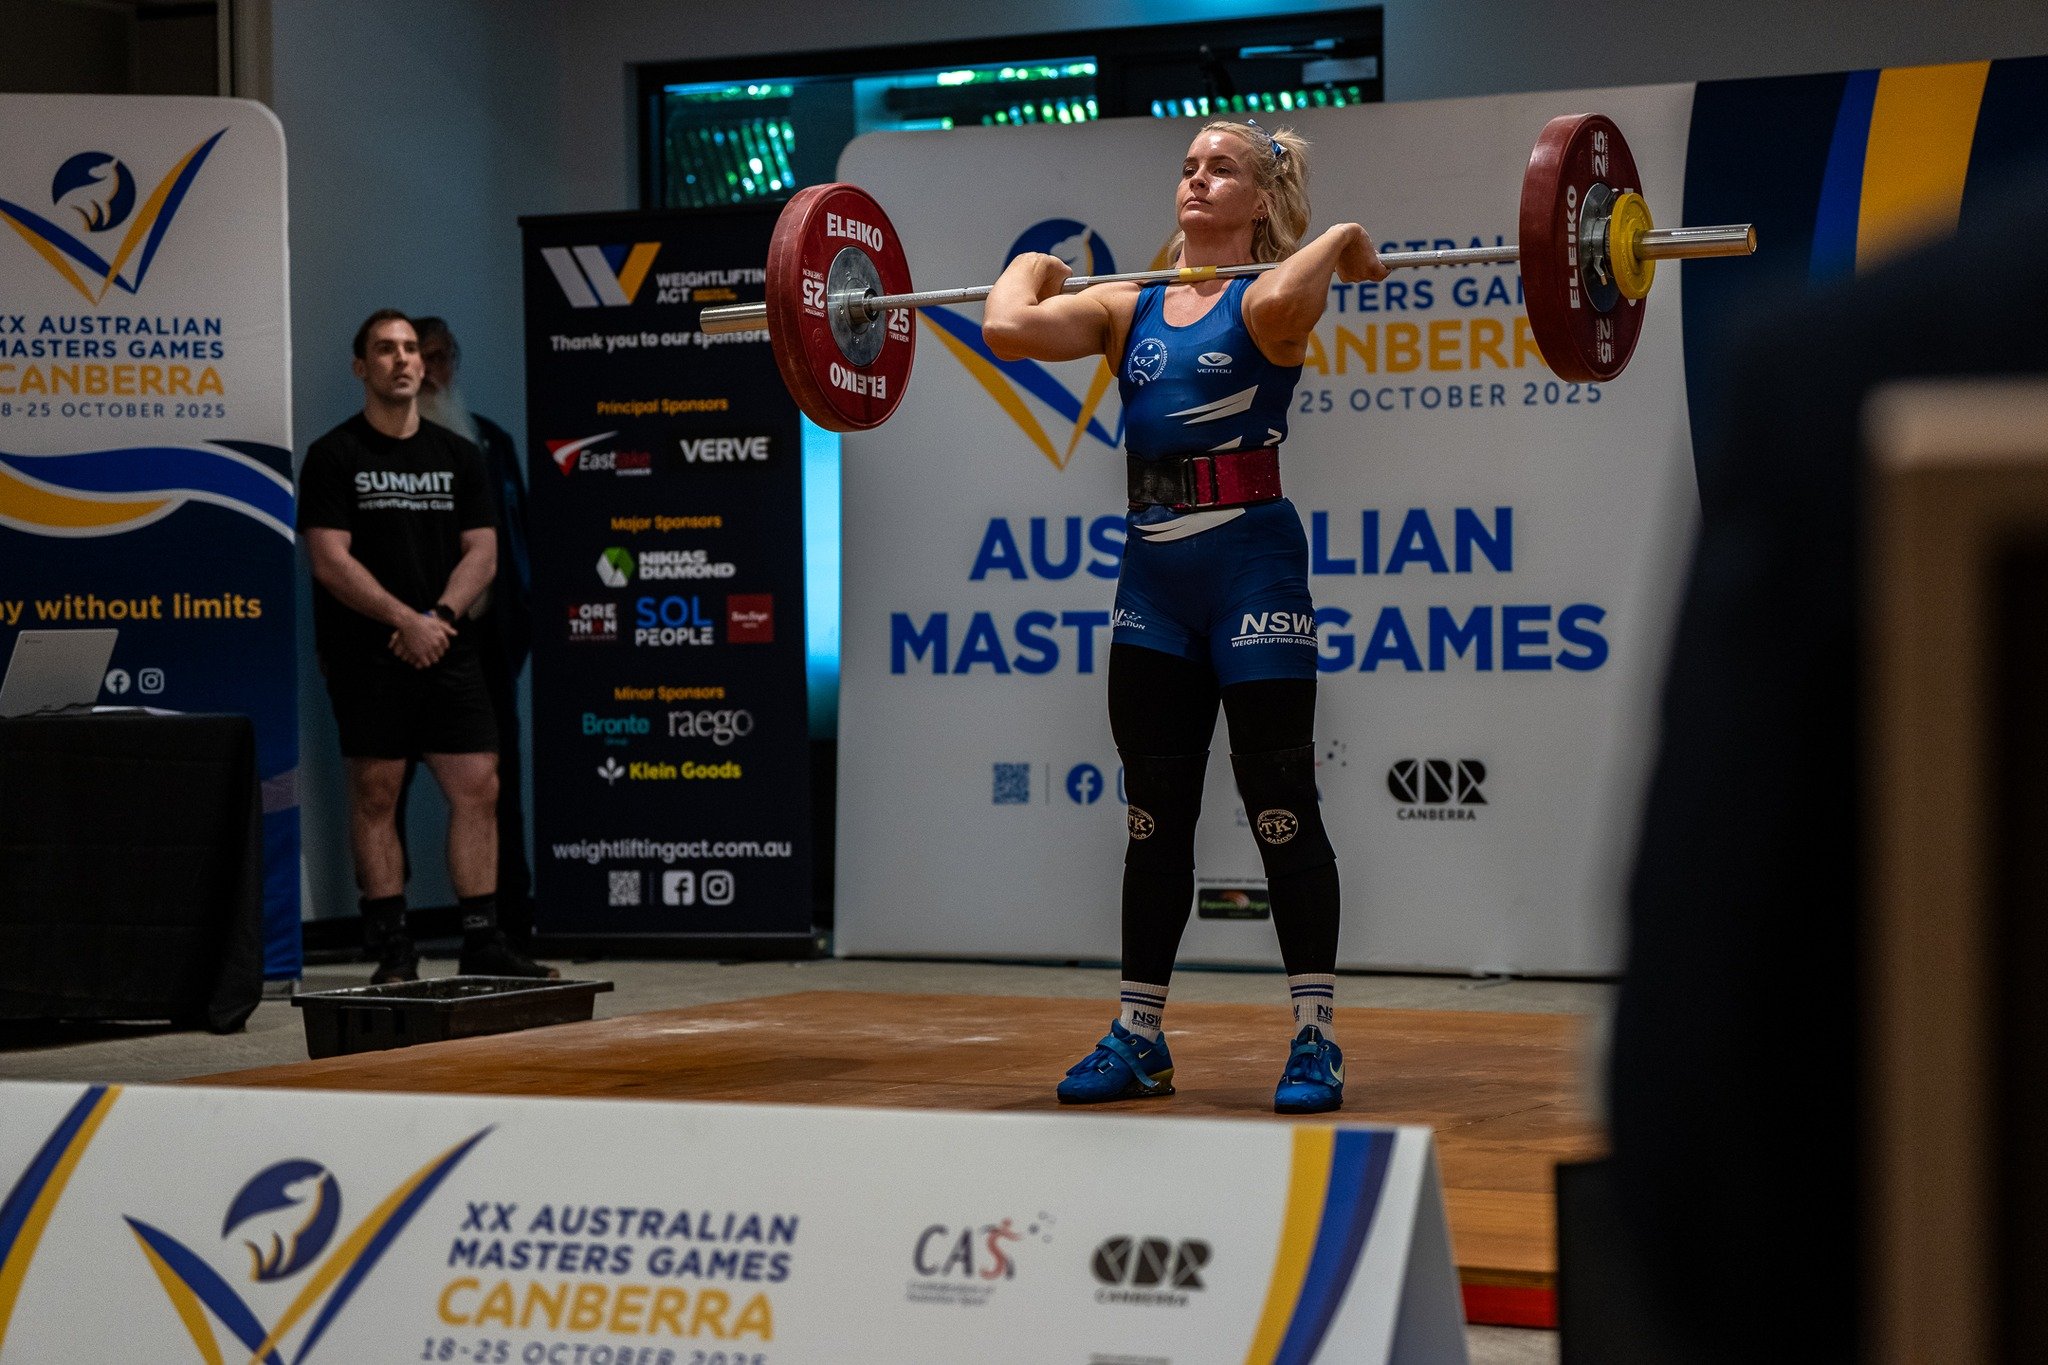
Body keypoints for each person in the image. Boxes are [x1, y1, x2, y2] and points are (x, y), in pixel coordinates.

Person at [982, 120, 1386, 1112]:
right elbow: (1004, 331)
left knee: (1279, 806)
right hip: (1152, 582)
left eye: (1222, 171)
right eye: (1188, 168)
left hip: (1252, 569)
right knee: (1152, 818)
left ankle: (1313, 1038)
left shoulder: (1270, 299)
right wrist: (1031, 264)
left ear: (1259, 201)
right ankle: (1138, 1038)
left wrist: (1335, 237)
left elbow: (1294, 287)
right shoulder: (1127, 308)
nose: (1196, 182)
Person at [298, 308, 556, 984]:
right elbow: (328, 558)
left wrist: (437, 616)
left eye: (412, 349)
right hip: (368, 652)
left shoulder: (461, 455)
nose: (405, 360)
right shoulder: (334, 455)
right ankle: (392, 949)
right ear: (363, 367)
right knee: (376, 793)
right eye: (386, 349)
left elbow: (485, 552)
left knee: (479, 785)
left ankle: (483, 939)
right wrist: (402, 619)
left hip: (450, 648)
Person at [409, 316, 537, 948]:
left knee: (493, 784)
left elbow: (515, 546)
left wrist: (519, 628)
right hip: (398, 641)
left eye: (439, 357)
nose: (429, 370)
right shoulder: (366, 453)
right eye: (414, 355)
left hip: (484, 640)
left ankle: (508, 927)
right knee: (385, 785)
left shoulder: (490, 443)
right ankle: (391, 938)